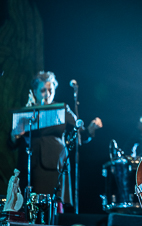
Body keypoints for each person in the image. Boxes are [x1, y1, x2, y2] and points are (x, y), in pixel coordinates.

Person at [8, 71, 103, 210]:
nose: (47, 93)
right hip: (29, 167)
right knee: (27, 209)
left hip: (54, 167)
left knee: (50, 209)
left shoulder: (62, 109)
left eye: (50, 90)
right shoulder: (26, 112)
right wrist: (15, 134)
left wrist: (91, 129)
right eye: (43, 90)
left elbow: (79, 132)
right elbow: (11, 143)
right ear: (35, 91)